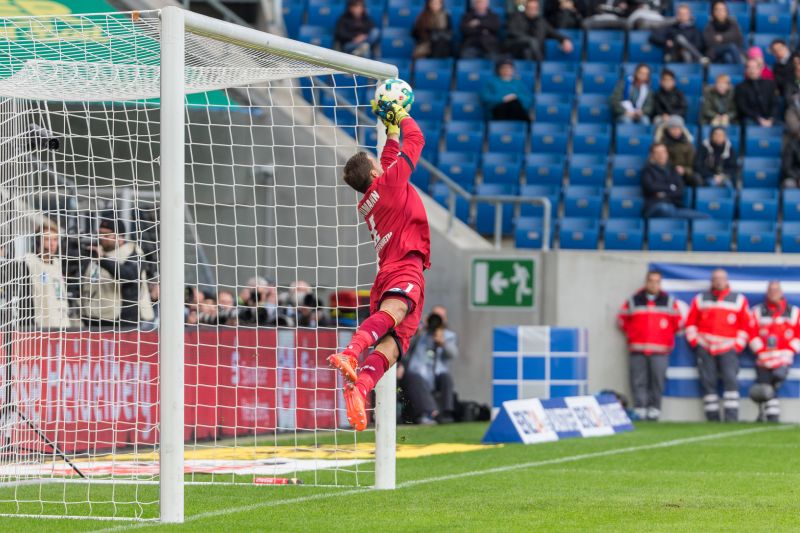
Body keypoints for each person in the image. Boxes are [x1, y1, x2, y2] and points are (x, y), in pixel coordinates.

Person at [328, 97, 430, 431]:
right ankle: (352, 351)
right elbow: (418, 140)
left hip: (392, 267)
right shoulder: (388, 186)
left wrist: (389, 134)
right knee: (397, 314)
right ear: (374, 173)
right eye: (377, 164)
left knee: (396, 344)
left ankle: (360, 389)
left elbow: (387, 163)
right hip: (404, 265)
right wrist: (401, 117)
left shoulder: (372, 198)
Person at [684, 268, 751, 422]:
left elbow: (746, 325)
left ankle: (731, 418)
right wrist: (695, 341)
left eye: (721, 278)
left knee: (731, 381)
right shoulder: (701, 299)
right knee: (708, 382)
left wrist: (737, 346)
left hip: (728, 348)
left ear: (727, 281)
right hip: (705, 347)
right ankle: (712, 419)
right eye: (715, 278)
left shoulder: (738, 299)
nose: (719, 281)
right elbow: (690, 322)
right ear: (712, 281)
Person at [617, 270, 683, 421]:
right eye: (651, 281)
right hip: (638, 349)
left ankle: (654, 410)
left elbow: (678, 324)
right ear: (646, 282)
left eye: (657, 281)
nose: (653, 284)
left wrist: (664, 337)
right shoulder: (634, 300)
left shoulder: (669, 301)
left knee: (657, 380)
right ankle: (640, 409)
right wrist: (634, 334)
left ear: (660, 284)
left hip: (660, 351)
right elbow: (622, 320)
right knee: (638, 381)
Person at [81, 212, 154, 329]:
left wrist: (102, 259)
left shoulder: (133, 251)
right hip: (95, 318)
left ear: (120, 237)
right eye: (100, 234)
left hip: (126, 320)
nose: (101, 238)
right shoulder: (95, 252)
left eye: (106, 235)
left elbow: (128, 275)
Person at [748, 281, 800, 422]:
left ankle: (769, 415)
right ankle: (771, 416)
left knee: (774, 382)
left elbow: (798, 335)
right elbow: (751, 334)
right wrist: (760, 350)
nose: (773, 292)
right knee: (765, 387)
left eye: (776, 290)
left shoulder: (793, 312)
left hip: (783, 359)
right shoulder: (758, 311)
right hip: (763, 359)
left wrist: (789, 351)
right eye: (771, 290)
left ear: (781, 292)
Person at [399, 306, 458, 424]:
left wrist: (443, 343)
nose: (436, 320)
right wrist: (419, 329)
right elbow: (404, 348)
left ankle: (446, 413)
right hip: (415, 375)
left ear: (444, 320)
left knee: (446, 378)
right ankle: (431, 412)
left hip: (436, 376)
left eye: (440, 317)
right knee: (415, 378)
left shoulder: (449, 336)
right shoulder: (420, 333)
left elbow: (453, 354)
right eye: (434, 316)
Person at [16, 220, 73, 329]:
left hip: (62, 323)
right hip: (42, 326)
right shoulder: (30, 261)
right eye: (47, 239)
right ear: (38, 241)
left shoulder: (58, 263)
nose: (52, 244)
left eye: (55, 240)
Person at [641, 143, 707, 219]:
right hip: (654, 206)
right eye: (657, 153)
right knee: (665, 208)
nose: (661, 155)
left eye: (663, 152)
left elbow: (680, 190)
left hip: (675, 206)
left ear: (667, 153)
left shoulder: (673, 170)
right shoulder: (647, 170)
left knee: (705, 217)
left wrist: (664, 194)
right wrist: (671, 187)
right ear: (652, 155)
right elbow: (651, 187)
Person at [506, 0, 573, 61]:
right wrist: (528, 39)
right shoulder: (516, 17)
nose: (532, 10)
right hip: (518, 50)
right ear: (526, 8)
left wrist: (564, 39)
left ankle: (539, 66)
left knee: (531, 47)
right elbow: (512, 32)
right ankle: (539, 64)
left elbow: (553, 33)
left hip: (535, 52)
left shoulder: (541, 22)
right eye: (530, 8)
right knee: (530, 44)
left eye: (535, 8)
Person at [654, 115, 700, 187]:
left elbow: (692, 164)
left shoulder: (688, 144)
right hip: (667, 172)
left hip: (684, 173)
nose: (676, 131)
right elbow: (658, 161)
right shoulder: (662, 143)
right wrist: (673, 169)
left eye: (678, 128)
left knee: (696, 179)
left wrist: (684, 170)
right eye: (673, 128)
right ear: (668, 129)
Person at [735, 58, 778, 127]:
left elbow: (774, 103)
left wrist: (771, 118)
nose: (752, 70)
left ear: (760, 69)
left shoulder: (770, 84)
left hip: (770, 118)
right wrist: (758, 119)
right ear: (746, 70)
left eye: (754, 67)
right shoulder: (740, 87)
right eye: (749, 67)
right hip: (751, 119)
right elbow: (742, 107)